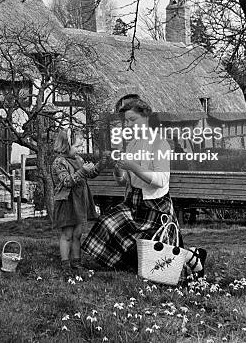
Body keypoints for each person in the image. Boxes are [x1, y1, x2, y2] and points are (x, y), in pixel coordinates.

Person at [82, 95, 206, 278]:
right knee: (106, 223)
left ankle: (190, 256)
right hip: (134, 200)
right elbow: (123, 181)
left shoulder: (159, 144)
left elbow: (161, 180)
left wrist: (133, 166)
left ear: (146, 117)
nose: (129, 125)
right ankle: (180, 258)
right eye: (126, 121)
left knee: (155, 248)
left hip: (155, 203)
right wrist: (118, 169)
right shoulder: (132, 145)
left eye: (133, 120)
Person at [51, 128, 101, 277]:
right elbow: (67, 181)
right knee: (67, 233)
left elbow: (90, 174)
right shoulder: (59, 162)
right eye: (77, 146)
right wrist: (83, 171)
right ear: (66, 146)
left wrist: (100, 164)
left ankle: (76, 262)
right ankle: (65, 263)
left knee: (78, 233)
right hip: (67, 202)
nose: (80, 149)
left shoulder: (78, 159)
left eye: (81, 146)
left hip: (79, 201)